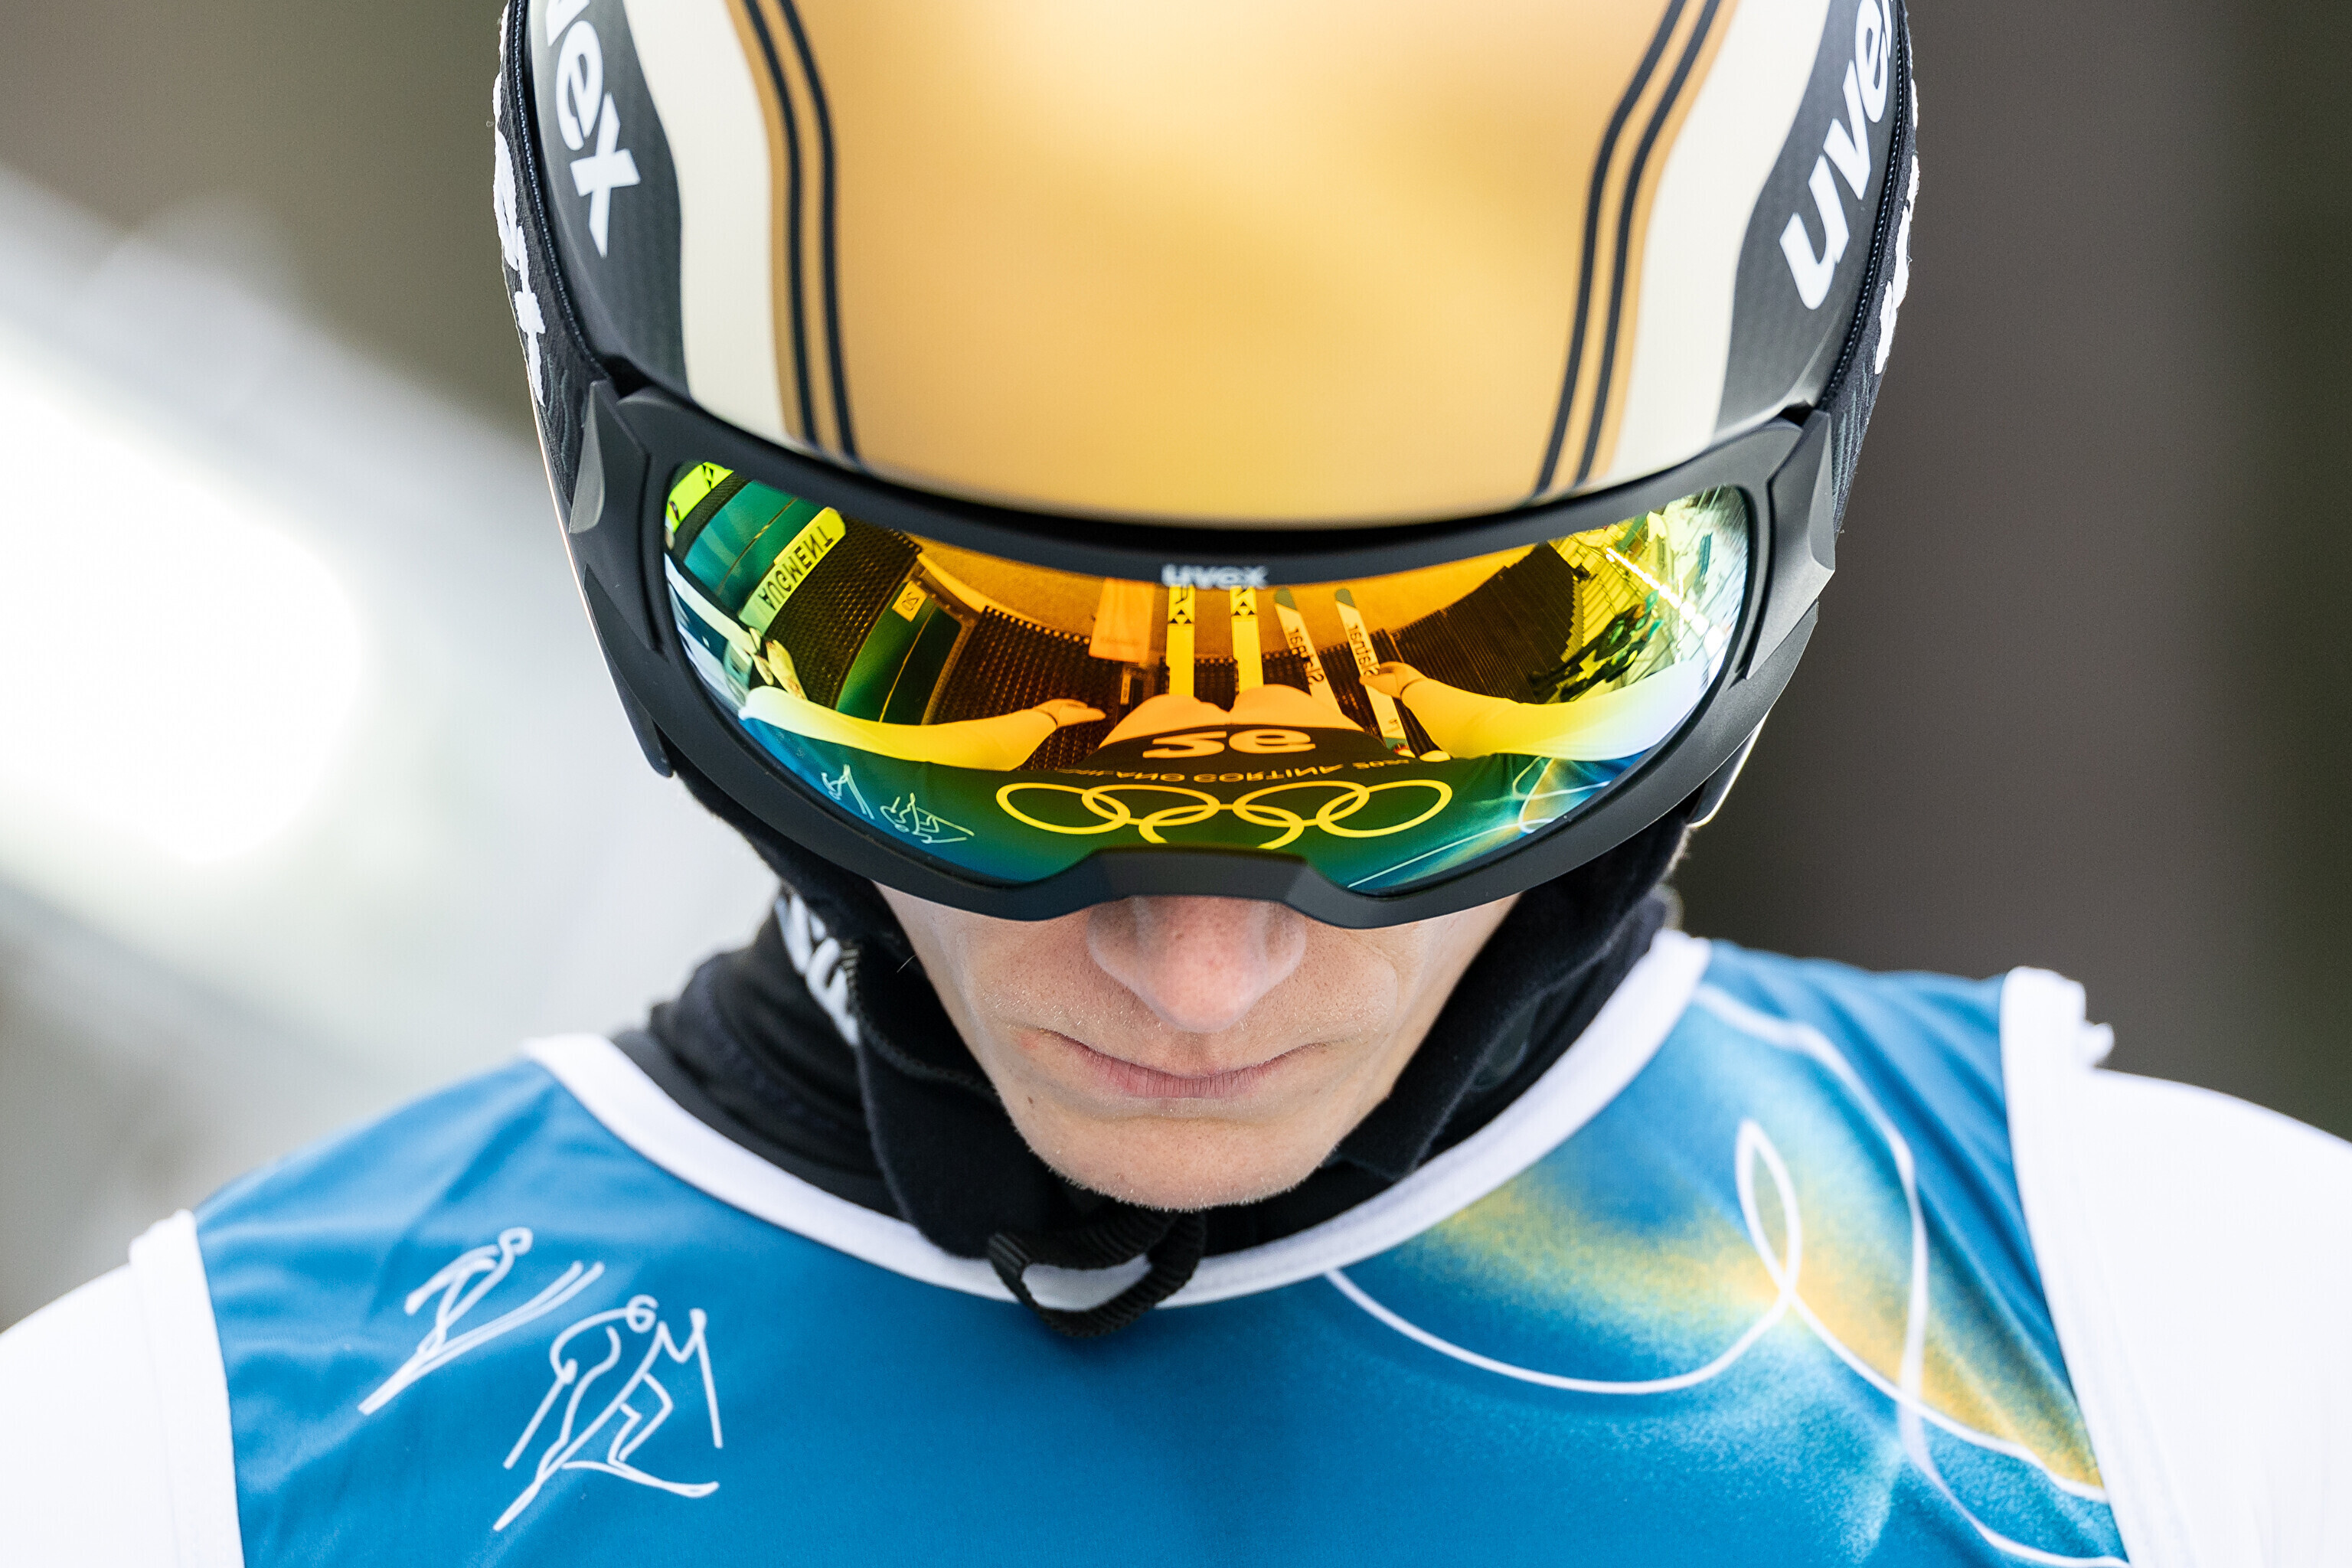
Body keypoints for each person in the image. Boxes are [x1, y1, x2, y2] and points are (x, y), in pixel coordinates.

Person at [3, 2, 2346, 1563]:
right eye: (974, 677)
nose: (1206, 963)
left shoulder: (2230, 1370)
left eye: (1447, 695)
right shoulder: (158, 1486)